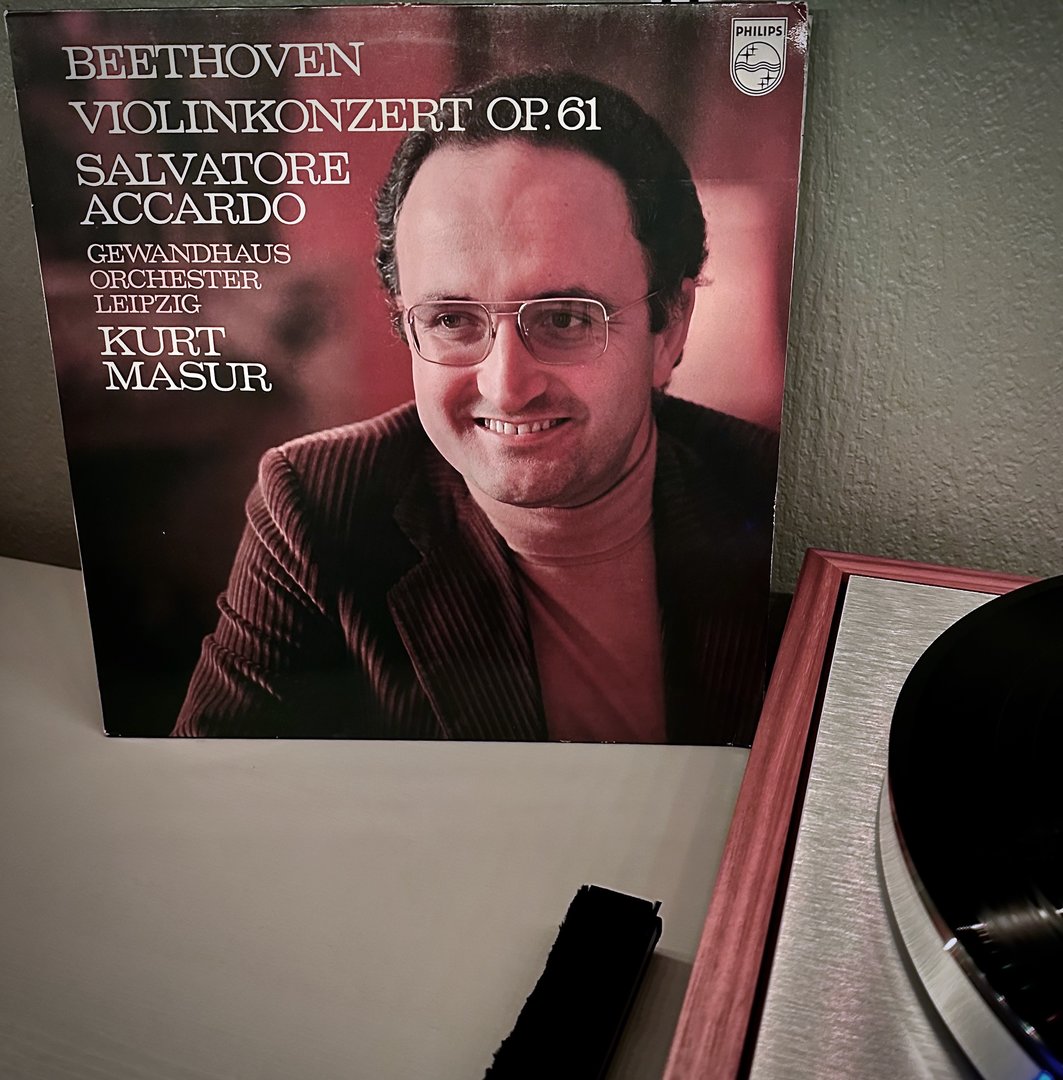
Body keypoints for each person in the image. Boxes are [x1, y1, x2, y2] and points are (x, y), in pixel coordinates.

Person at [173, 70, 778, 743]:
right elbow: (216, 783)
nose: (507, 386)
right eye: (452, 320)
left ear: (669, 326)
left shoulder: (776, 497)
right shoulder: (317, 507)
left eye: (565, 319)